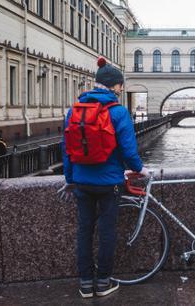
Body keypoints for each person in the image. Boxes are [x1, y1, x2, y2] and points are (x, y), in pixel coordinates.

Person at [57, 57, 148, 298]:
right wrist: (141, 168)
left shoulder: (74, 110)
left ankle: (86, 283)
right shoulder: (118, 112)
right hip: (109, 183)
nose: (121, 88)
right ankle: (104, 282)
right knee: (107, 233)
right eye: (120, 85)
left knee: (85, 232)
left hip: (82, 182)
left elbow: (67, 149)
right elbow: (129, 152)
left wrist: (70, 178)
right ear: (115, 86)